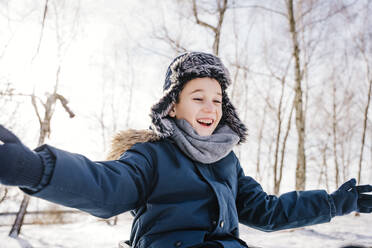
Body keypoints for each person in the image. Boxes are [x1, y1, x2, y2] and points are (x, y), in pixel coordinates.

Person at [1, 51, 372, 248]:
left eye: (218, 100)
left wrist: (337, 203)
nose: (211, 108)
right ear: (172, 106)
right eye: (198, 97)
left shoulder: (227, 162)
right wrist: (36, 170)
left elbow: (267, 212)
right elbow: (106, 186)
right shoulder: (151, 156)